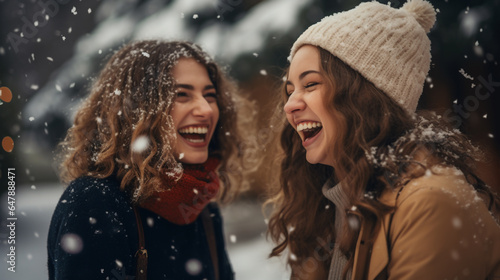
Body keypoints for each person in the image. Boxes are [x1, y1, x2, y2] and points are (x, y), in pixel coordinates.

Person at [266, 0, 500, 279]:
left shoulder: (431, 203)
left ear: (364, 97)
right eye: (290, 90)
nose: (289, 105)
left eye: (311, 84)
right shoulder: (324, 205)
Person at [48, 40, 245, 280]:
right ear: (137, 111)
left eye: (210, 95)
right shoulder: (94, 203)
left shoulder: (201, 206)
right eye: (181, 94)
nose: (205, 109)